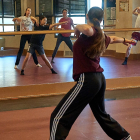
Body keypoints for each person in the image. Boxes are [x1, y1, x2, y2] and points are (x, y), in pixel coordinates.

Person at [49, 7, 135, 140]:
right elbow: (112, 39)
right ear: (101, 20)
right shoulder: (101, 36)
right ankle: (125, 137)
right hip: (99, 79)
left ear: (87, 16)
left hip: (87, 80)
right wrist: (125, 40)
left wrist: (76, 27)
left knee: (58, 117)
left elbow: (86, 29)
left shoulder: (92, 32)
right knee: (101, 114)